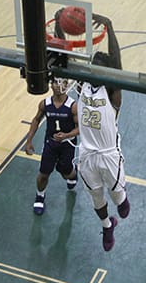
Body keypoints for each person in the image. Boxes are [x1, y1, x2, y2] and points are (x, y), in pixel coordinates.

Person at [76, 14, 130, 252]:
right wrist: (59, 23)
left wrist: (109, 27)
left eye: (98, 63)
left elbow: (117, 63)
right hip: (87, 152)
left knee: (121, 204)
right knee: (96, 199)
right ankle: (107, 226)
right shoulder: (83, 85)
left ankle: (120, 203)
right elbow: (65, 59)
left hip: (108, 153)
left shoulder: (112, 92)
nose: (93, 64)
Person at [24, 78, 79, 216]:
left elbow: (80, 129)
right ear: (51, 85)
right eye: (56, 82)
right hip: (51, 143)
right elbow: (36, 120)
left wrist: (66, 135)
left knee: (65, 172)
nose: (59, 85)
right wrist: (29, 140)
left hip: (67, 144)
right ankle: (40, 196)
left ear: (67, 85)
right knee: (44, 173)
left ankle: (73, 172)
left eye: (63, 83)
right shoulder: (45, 104)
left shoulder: (73, 106)